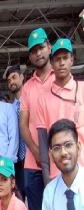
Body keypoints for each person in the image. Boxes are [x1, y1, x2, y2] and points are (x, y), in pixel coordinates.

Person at [20, 27, 54, 210]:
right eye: (33, 51)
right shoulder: (27, 87)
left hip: (58, 161)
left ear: (49, 47)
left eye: (41, 48)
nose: (38, 53)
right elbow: (23, 125)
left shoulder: (59, 79)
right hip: (32, 164)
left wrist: (50, 155)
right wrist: (36, 151)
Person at [37, 38, 84, 185]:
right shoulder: (43, 99)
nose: (61, 63)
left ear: (72, 59)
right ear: (51, 63)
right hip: (57, 174)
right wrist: (47, 179)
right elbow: (44, 144)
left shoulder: (82, 89)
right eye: (57, 59)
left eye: (65, 58)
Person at [7, 65, 26, 200]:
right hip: (17, 160)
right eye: (8, 80)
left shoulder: (31, 100)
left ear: (22, 77)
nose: (11, 82)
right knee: (18, 196)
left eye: (14, 77)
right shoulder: (10, 108)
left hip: (31, 156)